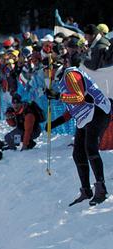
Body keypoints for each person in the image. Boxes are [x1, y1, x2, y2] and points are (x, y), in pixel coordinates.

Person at [45, 41, 112, 206]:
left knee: (90, 148)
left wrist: (58, 96)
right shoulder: (63, 81)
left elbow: (79, 97)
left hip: (98, 111)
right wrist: (53, 124)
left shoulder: (70, 74)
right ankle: (86, 190)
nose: (47, 75)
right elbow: (72, 110)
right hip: (86, 116)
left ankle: (101, 189)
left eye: (48, 72)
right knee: (78, 153)